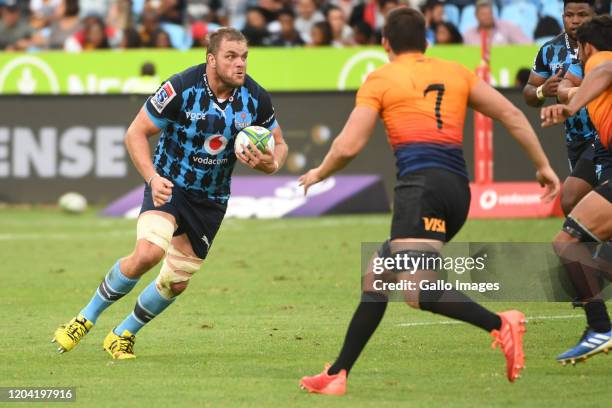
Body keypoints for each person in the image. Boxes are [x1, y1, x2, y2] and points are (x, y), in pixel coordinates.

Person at [298, 8, 560, 395]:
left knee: (417, 290)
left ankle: (500, 323)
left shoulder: (381, 77)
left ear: (385, 43)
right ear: (426, 41)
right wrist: (543, 166)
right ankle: (337, 373)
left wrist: (320, 172)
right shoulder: (455, 71)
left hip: (420, 190)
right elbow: (511, 115)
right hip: (457, 191)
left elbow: (350, 143)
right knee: (378, 274)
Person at [52, 27, 288, 359]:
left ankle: (123, 334)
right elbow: (136, 133)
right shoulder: (180, 87)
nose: (240, 64)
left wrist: (272, 163)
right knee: (148, 253)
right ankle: (83, 319)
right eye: (231, 57)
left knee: (175, 282)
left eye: (244, 57)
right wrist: (151, 177)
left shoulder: (256, 97)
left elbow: (279, 142)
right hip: (169, 186)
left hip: (211, 200)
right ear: (211, 59)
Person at [541, 15, 612, 365]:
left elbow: (601, 72)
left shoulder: (601, 61)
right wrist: (566, 92)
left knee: (567, 243)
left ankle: (599, 328)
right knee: (595, 260)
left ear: (587, 47)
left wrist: (570, 104)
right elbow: (570, 85)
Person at [523, 0, 596, 216]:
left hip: (603, 135)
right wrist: (542, 91)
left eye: (582, 14)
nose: (575, 21)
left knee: (572, 200)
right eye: (569, 15)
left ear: (594, 15)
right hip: (575, 139)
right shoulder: (549, 50)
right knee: (580, 206)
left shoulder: (604, 45)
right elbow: (529, 92)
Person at [463, 0, 531, 46]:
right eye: (483, 14)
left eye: (489, 13)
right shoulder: (468, 35)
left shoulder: (507, 27)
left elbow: (527, 45)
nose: (487, 17)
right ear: (476, 15)